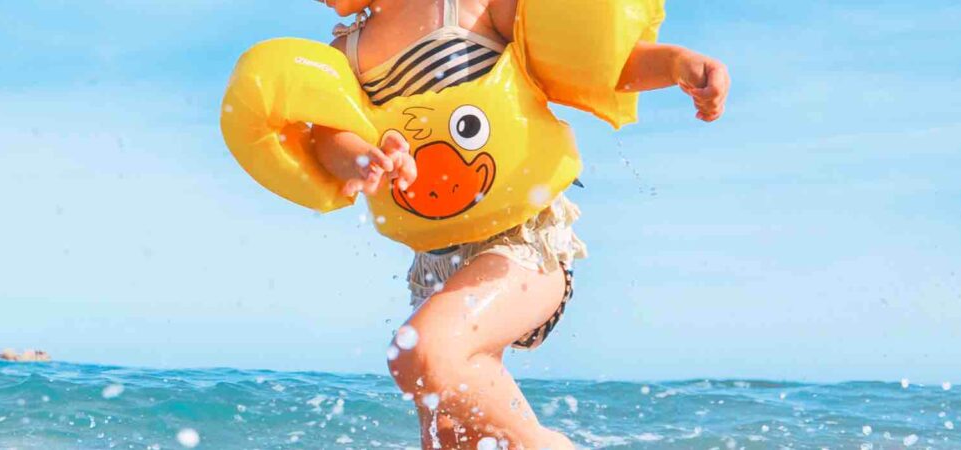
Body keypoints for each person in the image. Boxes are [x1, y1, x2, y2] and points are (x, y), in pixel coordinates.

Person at [281, 1, 728, 447]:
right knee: (448, 435)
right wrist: (362, 158)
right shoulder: (344, 51)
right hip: (434, 266)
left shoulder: (472, 9)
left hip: (523, 243)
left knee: (422, 352)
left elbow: (591, 63)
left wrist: (675, 63)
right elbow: (329, 134)